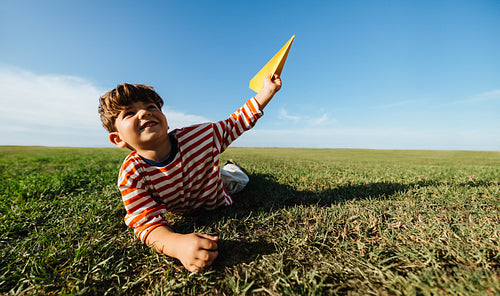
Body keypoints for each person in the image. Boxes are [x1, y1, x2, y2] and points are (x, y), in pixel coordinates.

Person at [98, 73, 282, 272]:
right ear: (118, 139)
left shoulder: (200, 137)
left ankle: (231, 168)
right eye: (129, 113)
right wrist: (177, 244)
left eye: (151, 107)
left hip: (212, 182)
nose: (144, 113)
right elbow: (146, 223)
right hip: (188, 194)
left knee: (241, 180)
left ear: (167, 122)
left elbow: (234, 124)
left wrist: (267, 91)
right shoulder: (132, 174)